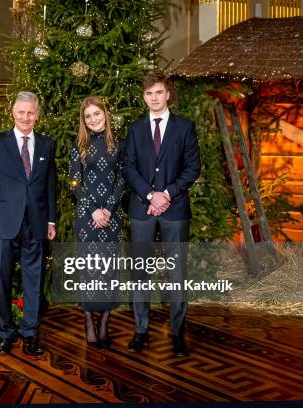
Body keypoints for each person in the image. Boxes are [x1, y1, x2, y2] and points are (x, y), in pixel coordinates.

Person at [122, 71, 200, 357]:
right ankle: (141, 330)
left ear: (168, 94)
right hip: (142, 210)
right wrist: (148, 195)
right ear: (144, 97)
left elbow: (193, 168)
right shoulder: (135, 129)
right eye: (148, 93)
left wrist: (166, 194)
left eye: (158, 92)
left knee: (177, 272)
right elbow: (128, 166)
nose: (153, 98)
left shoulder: (184, 128)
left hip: (175, 209)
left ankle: (177, 332)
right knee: (139, 271)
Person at [0, 91, 56, 356]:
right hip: (2, 224)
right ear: (13, 112)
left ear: (37, 114)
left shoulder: (47, 145)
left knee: (33, 281)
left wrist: (50, 220)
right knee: (2, 279)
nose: (26, 117)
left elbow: (49, 185)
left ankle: (31, 334)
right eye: (21, 112)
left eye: (31, 113)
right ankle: (5, 333)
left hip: (35, 223)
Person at [68, 96, 125, 349]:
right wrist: (93, 210)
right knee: (89, 271)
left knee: (108, 271)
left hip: (111, 218)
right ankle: (89, 321)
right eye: (88, 116)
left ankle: (105, 321)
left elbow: (123, 179)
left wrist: (108, 209)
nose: (93, 119)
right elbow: (74, 182)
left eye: (96, 114)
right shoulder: (79, 146)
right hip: (86, 217)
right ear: (84, 120)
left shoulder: (118, 145)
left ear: (105, 113)